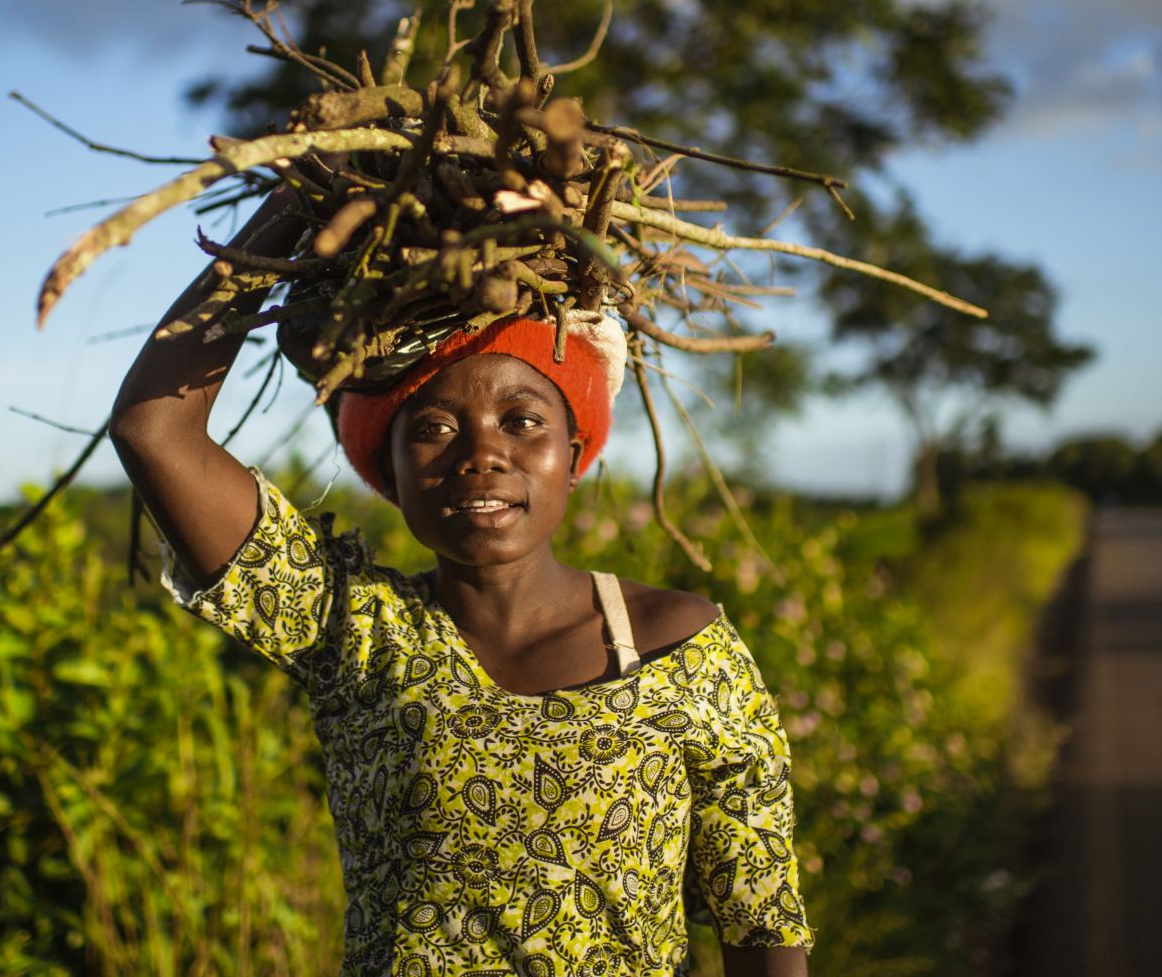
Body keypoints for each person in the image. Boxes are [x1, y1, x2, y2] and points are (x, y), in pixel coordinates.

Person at [111, 184, 815, 976]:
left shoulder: (682, 651)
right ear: (390, 469)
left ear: (575, 454)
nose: (483, 455)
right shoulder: (353, 634)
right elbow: (154, 428)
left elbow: (760, 921)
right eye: (436, 428)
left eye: (523, 422)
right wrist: (294, 206)